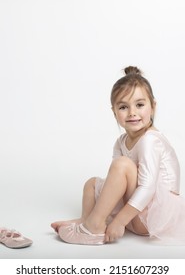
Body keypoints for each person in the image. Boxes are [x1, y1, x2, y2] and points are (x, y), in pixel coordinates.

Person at [51, 66, 185, 245]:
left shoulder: (150, 140)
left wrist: (119, 221)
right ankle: (89, 221)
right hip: (136, 210)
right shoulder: (121, 141)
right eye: (123, 107)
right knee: (92, 184)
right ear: (114, 112)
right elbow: (115, 184)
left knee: (122, 165)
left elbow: (148, 188)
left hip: (151, 218)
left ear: (153, 106)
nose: (132, 113)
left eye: (139, 105)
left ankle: (93, 228)